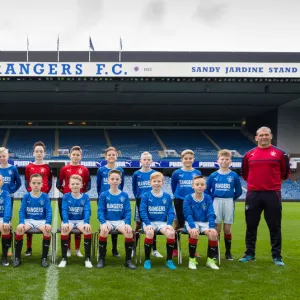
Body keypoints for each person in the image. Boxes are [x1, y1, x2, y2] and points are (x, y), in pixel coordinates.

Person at [239, 126, 290, 266]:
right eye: (261, 135)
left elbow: (285, 174)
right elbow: (245, 174)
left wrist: (271, 184)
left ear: (271, 136)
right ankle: (249, 253)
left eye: (266, 134)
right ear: (256, 137)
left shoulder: (280, 154)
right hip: (253, 194)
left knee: (274, 226)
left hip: (272, 194)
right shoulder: (249, 154)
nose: (263, 137)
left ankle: (277, 256)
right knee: (251, 225)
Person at [206, 149, 242, 260]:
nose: (224, 161)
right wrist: (213, 199)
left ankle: (228, 252)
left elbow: (239, 191)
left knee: (227, 228)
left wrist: (231, 198)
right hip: (216, 201)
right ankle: (215, 252)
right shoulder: (213, 175)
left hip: (229, 201)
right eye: (222, 159)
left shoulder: (234, 175)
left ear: (230, 161)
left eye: (227, 159)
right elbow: (207, 190)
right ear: (218, 161)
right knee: (217, 228)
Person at [97, 169, 136, 269]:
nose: (114, 181)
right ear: (108, 180)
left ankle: (128, 260)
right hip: (107, 221)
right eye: (112, 179)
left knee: (129, 232)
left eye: (117, 179)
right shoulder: (104, 195)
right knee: (104, 231)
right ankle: (101, 259)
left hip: (120, 221)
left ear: (120, 181)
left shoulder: (124, 195)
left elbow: (128, 211)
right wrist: (103, 222)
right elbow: (100, 211)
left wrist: (127, 223)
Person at [56, 146, 91, 258]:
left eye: (78, 155)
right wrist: (66, 192)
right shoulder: (64, 169)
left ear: (81, 156)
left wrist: (81, 193)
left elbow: (88, 184)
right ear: (70, 155)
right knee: (67, 224)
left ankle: (77, 249)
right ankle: (68, 249)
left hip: (79, 199)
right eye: (74, 154)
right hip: (66, 200)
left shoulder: (84, 170)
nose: (75, 156)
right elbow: (58, 184)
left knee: (79, 222)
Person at [140, 172, 176, 270]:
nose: (156, 183)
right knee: (150, 232)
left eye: (159, 181)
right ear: (150, 183)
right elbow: (142, 211)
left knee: (171, 233)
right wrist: (147, 224)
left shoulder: (167, 196)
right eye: (154, 181)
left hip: (162, 223)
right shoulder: (146, 195)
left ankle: (169, 260)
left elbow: (171, 212)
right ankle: (147, 260)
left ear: (163, 182)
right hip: (149, 222)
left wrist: (169, 224)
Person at [14, 174, 52, 267]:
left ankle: (44, 258)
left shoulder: (45, 196)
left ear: (42, 184)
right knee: (19, 230)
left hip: (41, 221)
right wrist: (21, 222)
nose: (36, 185)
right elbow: (22, 211)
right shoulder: (26, 196)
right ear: (30, 184)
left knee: (47, 231)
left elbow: (49, 211)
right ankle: (17, 258)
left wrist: (47, 223)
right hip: (28, 220)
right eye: (34, 183)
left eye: (38, 183)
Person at [183, 175, 219, 270]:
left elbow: (211, 213)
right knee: (194, 233)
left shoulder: (207, 198)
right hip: (191, 222)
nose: (199, 186)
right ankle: (192, 259)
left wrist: (211, 226)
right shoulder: (188, 198)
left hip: (204, 222)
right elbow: (188, 214)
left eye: (202, 184)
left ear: (205, 186)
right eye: (197, 184)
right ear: (192, 186)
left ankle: (210, 260)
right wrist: (192, 226)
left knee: (213, 234)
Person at [171, 149, 201, 257]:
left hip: (193, 200)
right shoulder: (176, 173)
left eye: (190, 158)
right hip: (179, 200)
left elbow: (199, 186)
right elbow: (174, 187)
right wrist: (178, 197)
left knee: (192, 224)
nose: (188, 160)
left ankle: (192, 250)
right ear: (181, 160)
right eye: (185, 158)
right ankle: (175, 249)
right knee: (177, 224)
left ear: (193, 159)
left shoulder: (197, 173)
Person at [132, 151, 162, 258]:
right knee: (138, 225)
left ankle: (154, 249)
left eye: (149, 159)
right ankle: (133, 248)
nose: (146, 161)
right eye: (144, 159)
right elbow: (134, 189)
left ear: (151, 161)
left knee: (152, 225)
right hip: (140, 201)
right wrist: (138, 197)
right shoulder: (136, 174)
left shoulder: (154, 174)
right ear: (141, 161)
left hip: (153, 202)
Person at [24, 141, 53, 257]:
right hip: (31, 197)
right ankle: (29, 248)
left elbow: (50, 182)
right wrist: (30, 193)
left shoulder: (46, 167)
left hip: (44, 197)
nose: (39, 153)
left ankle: (44, 251)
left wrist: (44, 193)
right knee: (29, 219)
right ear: (33, 153)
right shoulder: (29, 167)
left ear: (44, 153)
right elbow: (27, 181)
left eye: (41, 151)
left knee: (45, 222)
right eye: (37, 151)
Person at [58, 175, 93, 268]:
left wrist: (86, 222)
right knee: (65, 229)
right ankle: (64, 258)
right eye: (73, 184)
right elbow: (64, 210)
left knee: (87, 229)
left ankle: (87, 259)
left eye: (77, 184)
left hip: (81, 220)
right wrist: (65, 222)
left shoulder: (85, 197)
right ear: (69, 185)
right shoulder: (66, 196)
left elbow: (87, 210)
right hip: (69, 220)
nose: (75, 186)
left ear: (81, 185)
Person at [97, 146, 124, 258]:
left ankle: (114, 249)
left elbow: (121, 187)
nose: (111, 156)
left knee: (116, 221)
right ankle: (103, 250)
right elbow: (98, 186)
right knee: (105, 224)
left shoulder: (120, 170)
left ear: (116, 156)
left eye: (113, 154)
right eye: (109, 155)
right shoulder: (101, 170)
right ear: (106, 157)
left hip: (116, 200)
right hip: (104, 200)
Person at [0, 147, 21, 256]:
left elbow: (18, 182)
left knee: (7, 223)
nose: (2, 158)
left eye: (4, 156)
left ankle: (8, 249)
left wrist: (11, 191)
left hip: (9, 199)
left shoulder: (12, 168)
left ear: (8, 156)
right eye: (0, 157)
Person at [0, 175, 12, 266]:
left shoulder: (6, 194)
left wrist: (6, 221)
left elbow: (8, 208)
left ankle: (4, 257)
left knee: (5, 228)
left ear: (2, 182)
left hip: (3, 219)